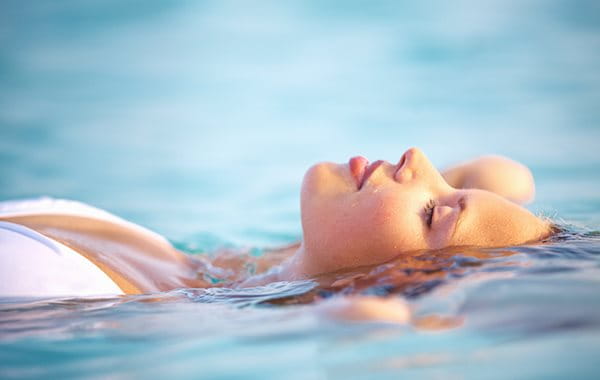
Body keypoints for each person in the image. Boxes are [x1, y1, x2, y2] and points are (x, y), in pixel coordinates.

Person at [0, 148, 553, 299]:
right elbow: (504, 175)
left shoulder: (66, 291)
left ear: (391, 278)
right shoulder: (250, 267)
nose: (418, 158)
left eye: (436, 209)